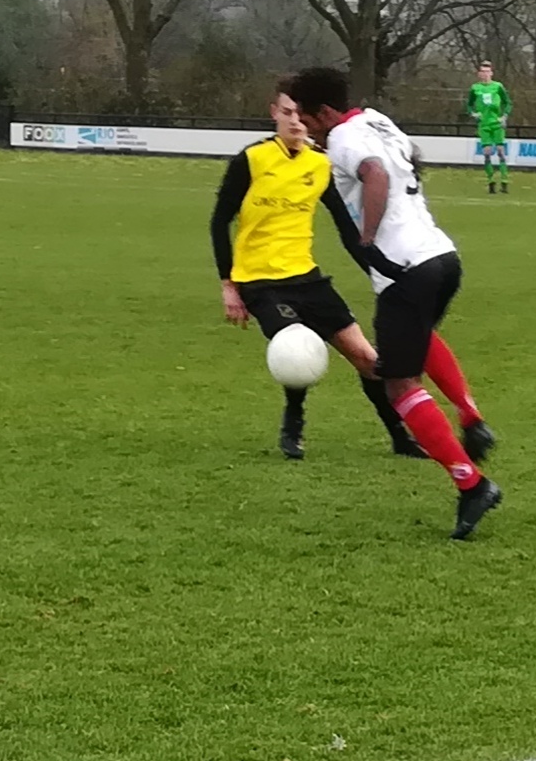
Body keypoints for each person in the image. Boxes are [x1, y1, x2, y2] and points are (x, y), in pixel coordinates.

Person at [285, 66, 502, 540]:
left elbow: (375, 174)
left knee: (398, 386)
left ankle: (472, 485)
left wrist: (367, 241)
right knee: (419, 339)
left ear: (324, 112)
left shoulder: (343, 138)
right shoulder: (376, 120)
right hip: (441, 255)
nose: (304, 124)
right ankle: (471, 418)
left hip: (404, 268)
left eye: (306, 116)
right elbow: (408, 160)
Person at [210, 82, 427, 462]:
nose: (295, 121)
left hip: (307, 278)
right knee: (296, 344)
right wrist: (229, 285)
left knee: (369, 360)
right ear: (274, 113)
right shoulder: (252, 159)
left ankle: (400, 437)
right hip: (260, 282)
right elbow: (219, 221)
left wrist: (387, 271)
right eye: (287, 113)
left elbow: (348, 231)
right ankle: (293, 423)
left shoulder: (320, 163)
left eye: (300, 114)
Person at [465, 61, 512, 194]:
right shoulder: (475, 88)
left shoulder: (498, 86)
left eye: (487, 72)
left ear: (491, 73)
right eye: (482, 72)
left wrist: (504, 116)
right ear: (479, 74)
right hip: (484, 125)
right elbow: (469, 104)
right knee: (487, 153)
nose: (485, 74)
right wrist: (473, 113)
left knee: (501, 152)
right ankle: (491, 182)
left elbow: (508, 102)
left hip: (496, 124)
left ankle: (504, 181)